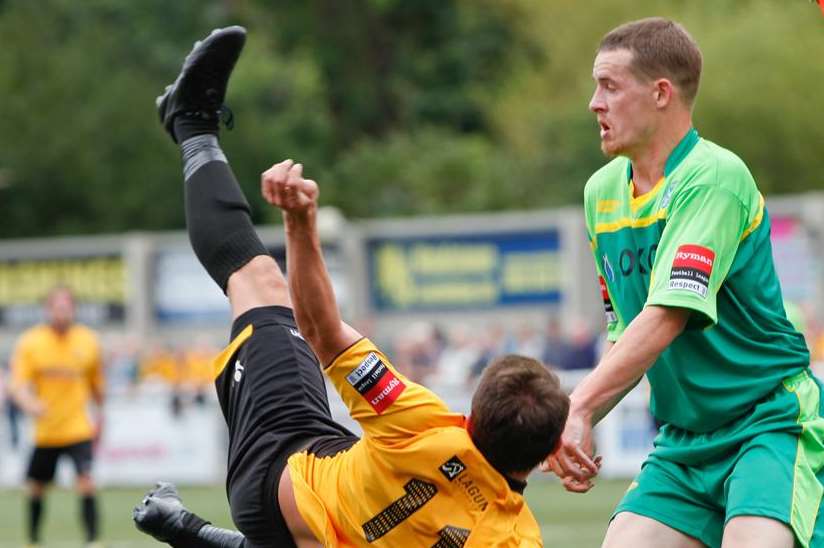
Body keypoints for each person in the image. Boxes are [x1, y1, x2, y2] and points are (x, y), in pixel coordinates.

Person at [133, 26, 569, 547]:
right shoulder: (517, 538)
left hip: (280, 466)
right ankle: (182, 525)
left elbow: (322, 332)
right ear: (546, 456)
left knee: (259, 281)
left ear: (472, 417)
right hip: (310, 529)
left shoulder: (424, 424)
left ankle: (192, 123)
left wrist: (300, 223)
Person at [544, 17, 822, 548]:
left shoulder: (713, 178)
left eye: (609, 86)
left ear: (661, 93)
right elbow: (626, 335)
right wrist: (578, 425)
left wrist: (576, 406)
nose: (593, 103)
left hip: (768, 423)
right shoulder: (600, 193)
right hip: (684, 441)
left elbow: (667, 316)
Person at [9, 286, 105, 548]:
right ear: (48, 310)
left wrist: (101, 417)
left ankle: (93, 539)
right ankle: (33, 540)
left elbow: (98, 387)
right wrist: (31, 404)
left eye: (67, 307)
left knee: (86, 482)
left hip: (78, 428)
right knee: (36, 487)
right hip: (47, 430)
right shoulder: (31, 342)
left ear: (73, 309)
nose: (63, 313)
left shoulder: (88, 341)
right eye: (57, 308)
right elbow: (16, 385)